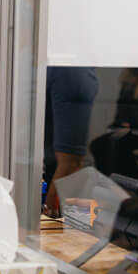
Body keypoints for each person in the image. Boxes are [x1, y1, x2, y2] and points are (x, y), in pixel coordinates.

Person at [42, 66, 99, 216]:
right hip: (32, 187)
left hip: (54, 193)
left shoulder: (71, 68)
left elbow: (71, 165)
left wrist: (46, 220)